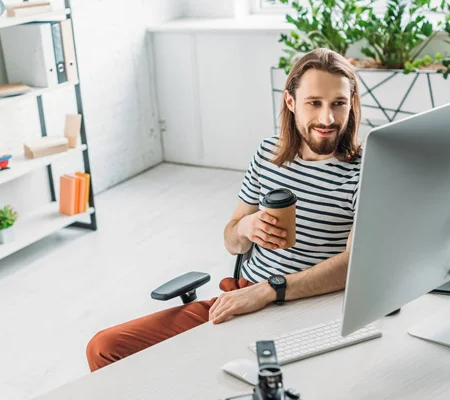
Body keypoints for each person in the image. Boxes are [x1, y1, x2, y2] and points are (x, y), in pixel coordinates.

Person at [86, 48, 363, 372]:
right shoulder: (267, 154)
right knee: (104, 348)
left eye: (338, 103)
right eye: (314, 103)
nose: (327, 119)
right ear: (291, 102)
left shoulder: (365, 171)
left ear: (351, 102)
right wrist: (245, 228)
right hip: (241, 297)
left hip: (303, 309)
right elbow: (232, 240)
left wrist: (269, 291)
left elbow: (351, 266)